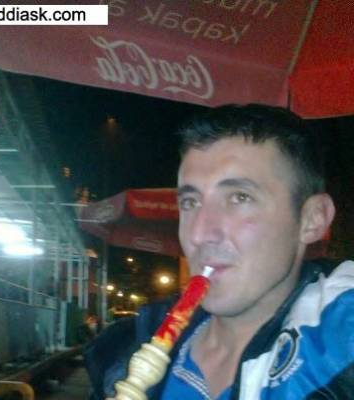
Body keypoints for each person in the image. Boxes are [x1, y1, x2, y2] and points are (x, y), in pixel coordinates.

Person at [85, 104, 354, 399]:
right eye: (190, 203)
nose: (199, 234)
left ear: (312, 219)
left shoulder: (338, 341)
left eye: (240, 198)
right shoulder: (121, 354)